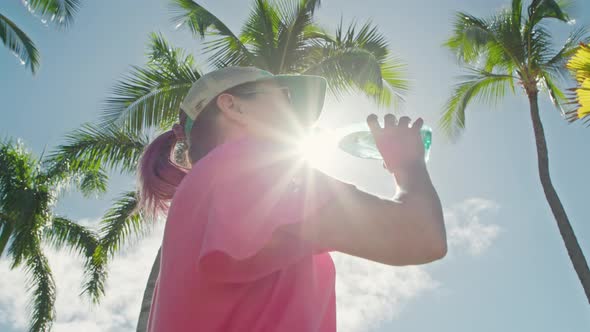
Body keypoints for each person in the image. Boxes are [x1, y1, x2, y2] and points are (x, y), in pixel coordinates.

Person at [142, 66, 447, 332]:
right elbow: (420, 235)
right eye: (284, 95)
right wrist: (407, 163)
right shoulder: (247, 164)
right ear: (233, 106)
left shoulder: (205, 190)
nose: (296, 112)